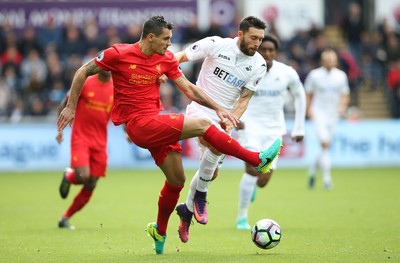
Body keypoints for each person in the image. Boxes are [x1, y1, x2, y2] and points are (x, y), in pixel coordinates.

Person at [56, 16, 281, 255]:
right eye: (166, 39)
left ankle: (160, 232)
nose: (169, 45)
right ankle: (256, 160)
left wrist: (218, 108)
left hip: (155, 122)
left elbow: (189, 89)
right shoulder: (118, 54)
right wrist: (70, 107)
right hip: (138, 123)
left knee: (177, 181)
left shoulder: (164, 60)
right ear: (150, 37)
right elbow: (83, 71)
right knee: (204, 125)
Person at [172, 16, 274, 243]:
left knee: (211, 173)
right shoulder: (216, 44)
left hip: (224, 118)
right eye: (254, 37)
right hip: (200, 110)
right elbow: (180, 57)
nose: (257, 44)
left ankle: (186, 211)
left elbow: (244, 99)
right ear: (240, 34)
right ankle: (201, 195)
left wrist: (232, 120)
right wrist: (163, 70)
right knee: (214, 144)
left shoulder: (258, 65)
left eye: (261, 39)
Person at [235, 35, 306, 230]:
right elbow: (231, 92)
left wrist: (299, 126)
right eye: (263, 49)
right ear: (257, 50)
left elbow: (300, 96)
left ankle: (252, 188)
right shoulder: (247, 69)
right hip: (249, 126)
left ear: (275, 52)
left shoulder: (287, 72)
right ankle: (241, 217)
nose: (266, 53)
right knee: (251, 169)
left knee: (263, 180)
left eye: (270, 50)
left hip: (274, 130)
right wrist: (235, 117)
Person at [56, 70, 113, 230]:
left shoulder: (116, 87)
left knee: (92, 183)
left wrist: (127, 132)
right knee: (84, 175)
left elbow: (121, 111)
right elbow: (64, 104)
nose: (109, 68)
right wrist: (60, 129)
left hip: (100, 142)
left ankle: (65, 218)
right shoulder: (86, 82)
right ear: (99, 66)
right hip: (81, 138)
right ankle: (69, 176)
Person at [305, 49, 350, 190]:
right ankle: (327, 179)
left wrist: (342, 107)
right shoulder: (314, 75)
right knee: (324, 143)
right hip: (318, 114)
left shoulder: (341, 76)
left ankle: (312, 170)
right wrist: (309, 110)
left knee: (324, 146)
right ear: (323, 61)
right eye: (327, 59)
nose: (330, 62)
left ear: (336, 61)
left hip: (333, 115)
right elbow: (308, 94)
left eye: (332, 59)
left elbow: (345, 95)